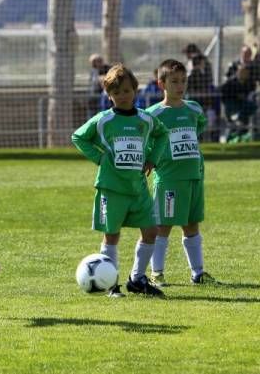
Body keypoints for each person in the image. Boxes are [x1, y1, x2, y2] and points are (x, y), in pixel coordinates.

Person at [72, 64, 168, 298]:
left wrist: (152, 159)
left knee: (151, 231)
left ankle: (137, 279)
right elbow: (78, 137)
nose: (122, 96)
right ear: (110, 96)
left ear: (135, 90)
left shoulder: (145, 119)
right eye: (117, 93)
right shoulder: (103, 120)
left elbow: (163, 134)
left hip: (138, 188)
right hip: (111, 189)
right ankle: (111, 284)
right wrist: (100, 157)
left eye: (126, 91)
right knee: (112, 235)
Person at [146, 59, 217, 287]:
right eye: (174, 81)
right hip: (169, 179)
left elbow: (200, 127)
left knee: (192, 224)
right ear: (161, 84)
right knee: (162, 226)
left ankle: (198, 273)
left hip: (194, 175)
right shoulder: (153, 114)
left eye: (183, 81)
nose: (180, 86)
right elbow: (147, 140)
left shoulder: (194, 108)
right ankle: (156, 273)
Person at [220, 65, 258, 142]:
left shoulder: (250, 83)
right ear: (238, 72)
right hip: (233, 106)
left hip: (244, 106)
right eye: (241, 72)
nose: (243, 74)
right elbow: (223, 93)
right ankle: (238, 120)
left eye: (245, 72)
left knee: (252, 106)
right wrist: (236, 96)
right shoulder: (230, 83)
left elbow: (251, 93)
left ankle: (242, 121)